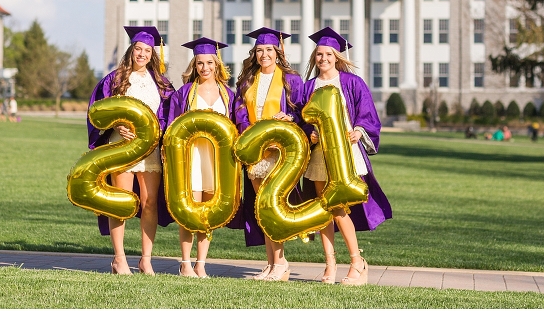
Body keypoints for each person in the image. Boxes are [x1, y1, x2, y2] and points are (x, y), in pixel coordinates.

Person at [301, 27, 392, 286]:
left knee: (339, 208)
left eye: (328, 54)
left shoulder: (352, 83)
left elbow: (368, 115)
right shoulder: (309, 87)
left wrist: (359, 131)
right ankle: (330, 264)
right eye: (319, 54)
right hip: (319, 155)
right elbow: (302, 119)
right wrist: (310, 134)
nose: (323, 59)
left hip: (345, 154)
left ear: (337, 56)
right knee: (323, 210)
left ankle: (357, 262)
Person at [87, 26, 175, 275]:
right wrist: (116, 123)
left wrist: (157, 131)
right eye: (138, 49)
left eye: (147, 50)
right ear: (131, 50)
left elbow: (170, 115)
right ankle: (119, 258)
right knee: (121, 202)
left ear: (152, 54)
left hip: (150, 149)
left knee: (149, 204)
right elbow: (98, 111)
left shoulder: (160, 82)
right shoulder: (114, 79)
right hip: (121, 147)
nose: (142, 54)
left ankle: (146, 259)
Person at [232, 27, 304, 282]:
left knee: (273, 206)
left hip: (280, 152)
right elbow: (239, 113)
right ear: (255, 53)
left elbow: (302, 111)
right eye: (260, 50)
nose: (264, 54)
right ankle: (273, 264)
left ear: (278, 52)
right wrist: (248, 134)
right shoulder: (248, 81)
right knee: (262, 208)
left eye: (269, 50)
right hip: (256, 152)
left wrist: (291, 117)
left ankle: (281, 263)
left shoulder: (290, 79)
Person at [167, 37, 235, 278]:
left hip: (216, 162)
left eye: (209, 63)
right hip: (191, 159)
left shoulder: (229, 95)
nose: (205, 68)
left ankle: (201, 263)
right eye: (199, 63)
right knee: (189, 209)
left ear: (217, 65)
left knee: (208, 211)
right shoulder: (184, 93)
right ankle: (185, 262)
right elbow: (171, 128)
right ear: (194, 66)